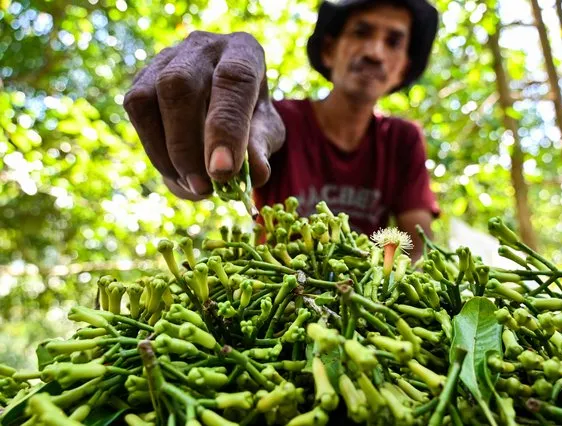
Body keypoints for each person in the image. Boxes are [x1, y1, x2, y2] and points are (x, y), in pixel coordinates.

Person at [124, 0, 441, 260]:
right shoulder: (279, 119)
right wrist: (190, 152)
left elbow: (417, 245)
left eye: (393, 41)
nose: (374, 51)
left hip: (362, 302)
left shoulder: (402, 140)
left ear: (402, 67)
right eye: (361, 32)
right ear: (329, 50)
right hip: (277, 300)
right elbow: (195, 178)